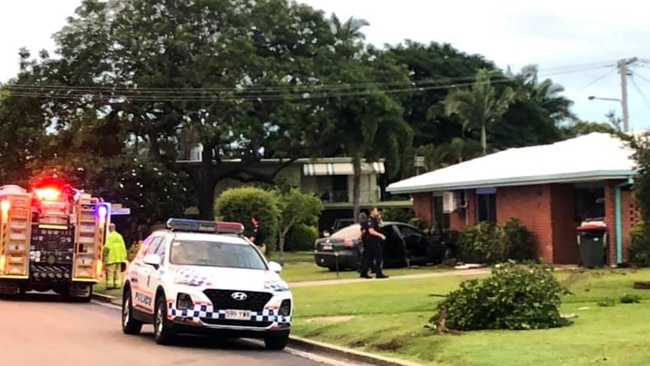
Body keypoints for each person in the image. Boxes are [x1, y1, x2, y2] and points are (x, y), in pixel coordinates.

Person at [359, 207, 389, 279]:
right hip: (372, 241)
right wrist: (381, 235)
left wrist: (379, 218)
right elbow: (371, 231)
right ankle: (378, 273)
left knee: (369, 258)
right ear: (372, 211)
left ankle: (364, 272)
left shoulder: (375, 220)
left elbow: (381, 225)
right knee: (378, 257)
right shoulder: (370, 220)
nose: (378, 212)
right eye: (376, 211)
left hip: (371, 242)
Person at [103, 223, 128, 289]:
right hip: (119, 258)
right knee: (117, 272)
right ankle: (117, 285)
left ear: (110, 228)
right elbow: (123, 247)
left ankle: (110, 285)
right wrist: (124, 256)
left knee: (110, 272)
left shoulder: (110, 236)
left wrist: (104, 255)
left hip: (111, 258)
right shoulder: (119, 236)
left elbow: (107, 247)